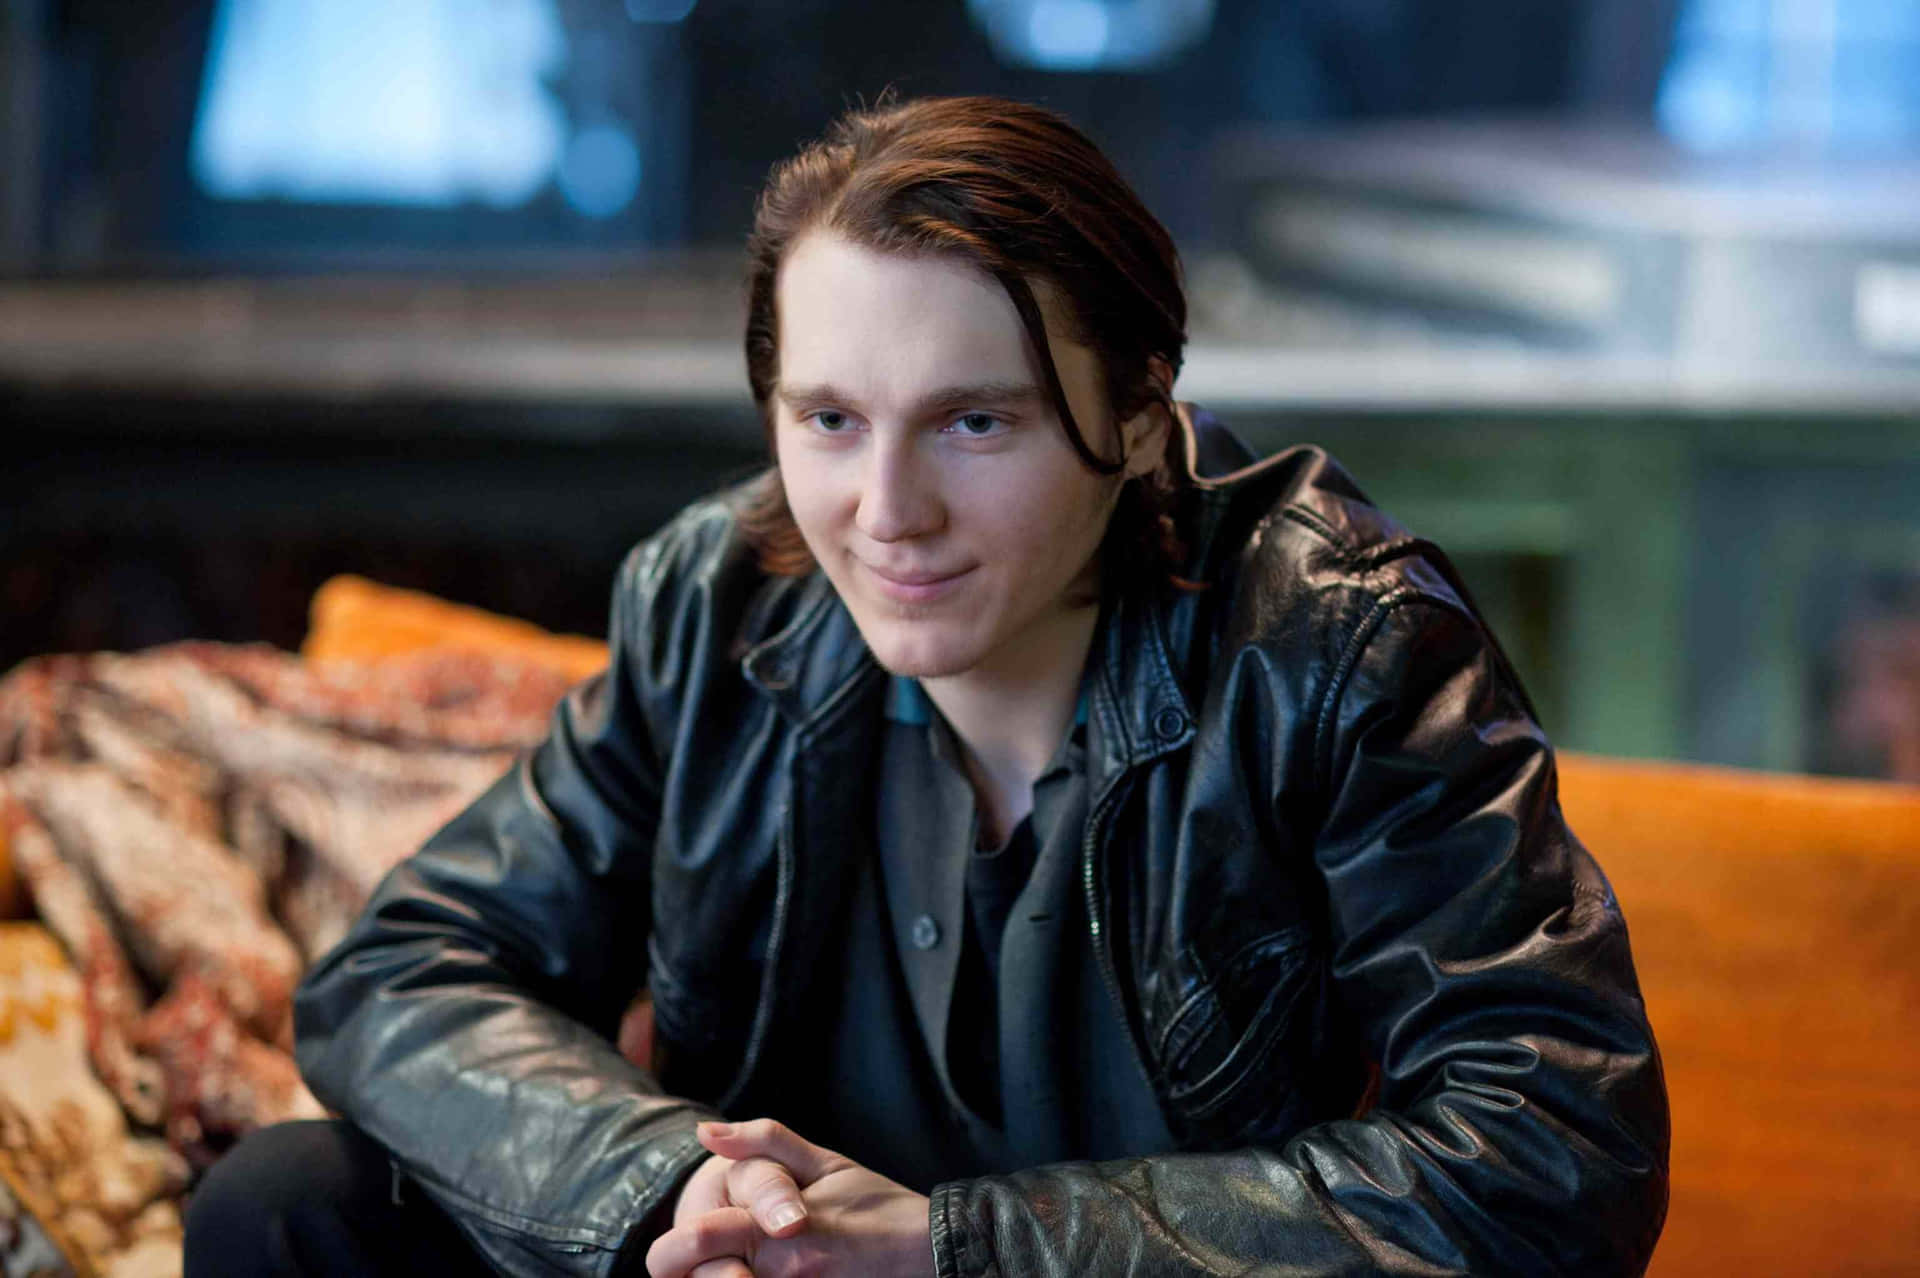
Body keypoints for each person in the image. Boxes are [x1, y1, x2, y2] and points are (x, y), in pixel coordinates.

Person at [186, 95, 1669, 1276]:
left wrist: (952, 1249)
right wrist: (674, 1193)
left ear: (1140, 417)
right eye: (830, 417)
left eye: (974, 422)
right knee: (292, 1202)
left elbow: (1552, 1149)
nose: (885, 511)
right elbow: (402, 971)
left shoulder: (1334, 643)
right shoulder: (720, 606)